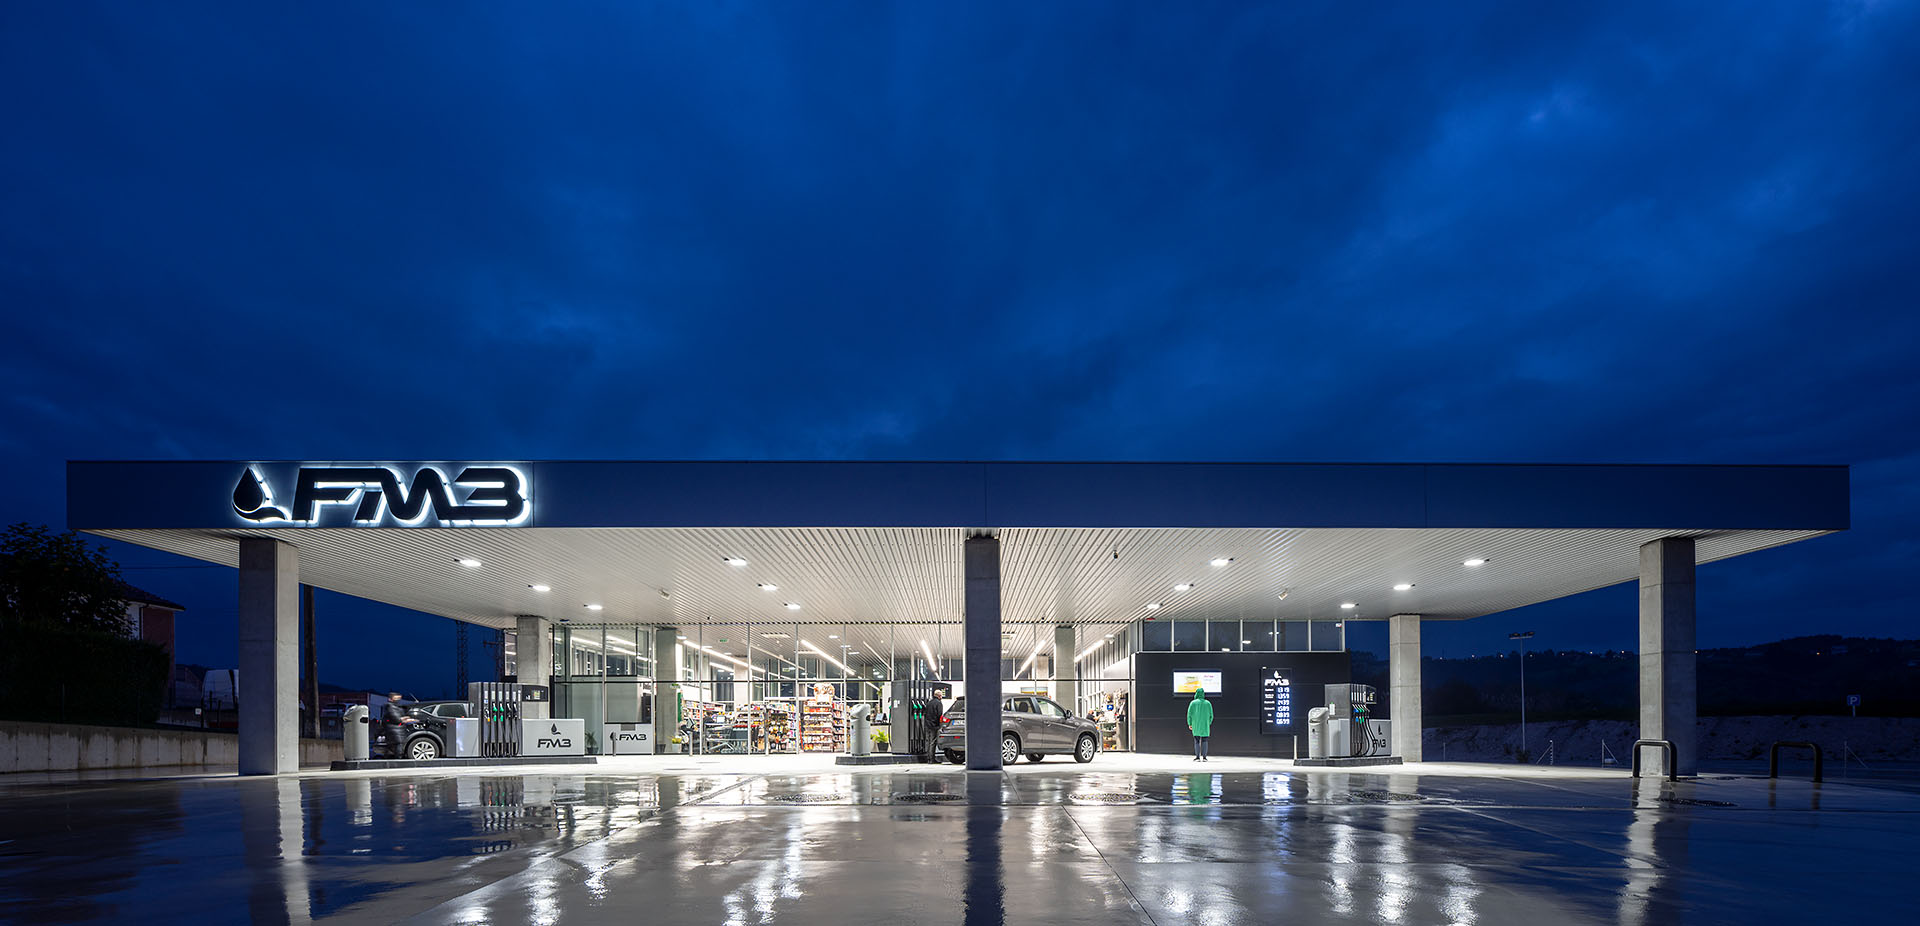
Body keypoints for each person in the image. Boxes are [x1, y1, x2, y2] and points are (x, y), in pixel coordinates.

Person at [380, 692, 415, 758]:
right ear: (391, 699)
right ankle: (397, 760)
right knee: (398, 746)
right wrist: (406, 719)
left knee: (395, 746)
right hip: (395, 730)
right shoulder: (390, 706)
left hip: (397, 729)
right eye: (396, 698)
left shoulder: (395, 706)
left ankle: (394, 759)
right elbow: (396, 719)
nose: (398, 699)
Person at [1186, 687, 1214, 762]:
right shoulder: (1208, 703)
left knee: (1197, 741)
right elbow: (1211, 715)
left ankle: (1197, 757)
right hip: (1205, 725)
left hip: (1196, 725)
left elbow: (1189, 714)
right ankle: (1204, 758)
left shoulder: (1193, 703)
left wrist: (1190, 723)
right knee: (1205, 741)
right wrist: (1208, 723)